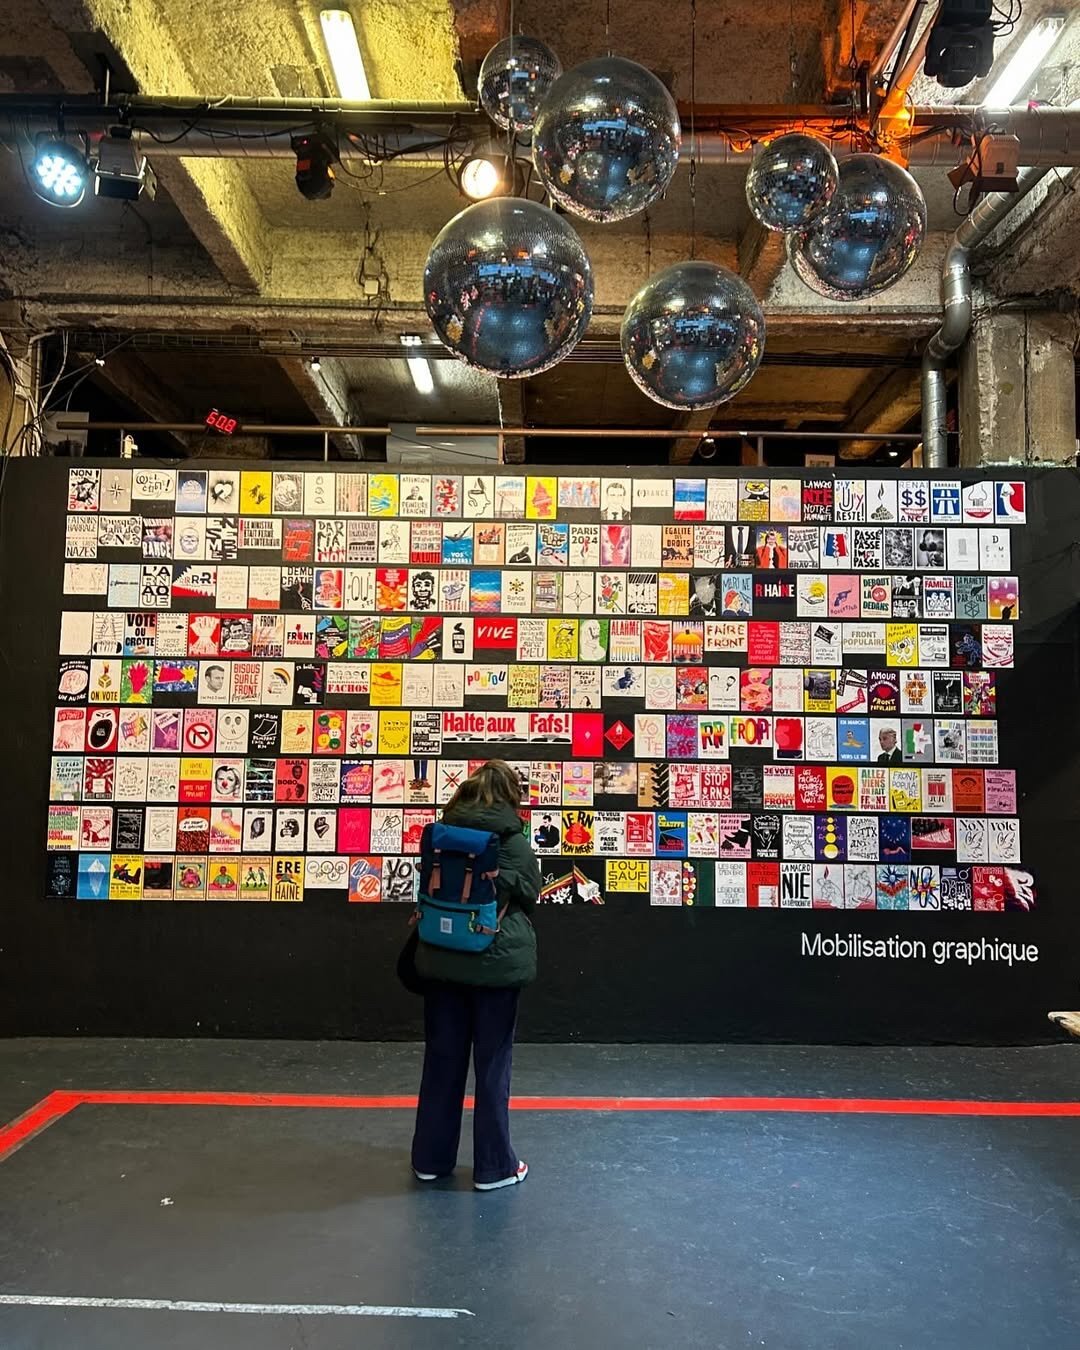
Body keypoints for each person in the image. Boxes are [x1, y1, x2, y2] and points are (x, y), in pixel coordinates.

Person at [410, 759, 540, 1191]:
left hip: (440, 959)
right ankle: (494, 1167)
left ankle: (430, 1161)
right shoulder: (512, 841)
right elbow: (531, 893)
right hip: (494, 964)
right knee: (492, 1066)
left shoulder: (440, 835)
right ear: (509, 795)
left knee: (441, 1061)